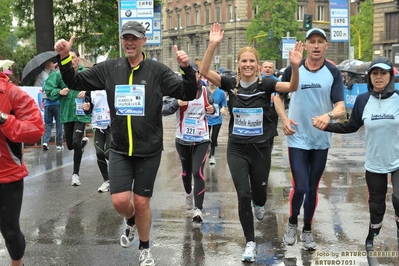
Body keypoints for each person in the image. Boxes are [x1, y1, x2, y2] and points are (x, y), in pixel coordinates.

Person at [53, 20, 198, 266]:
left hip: (148, 149)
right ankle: (129, 220)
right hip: (119, 147)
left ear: (143, 40)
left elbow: (188, 93)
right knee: (120, 201)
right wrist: (65, 57)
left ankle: (144, 248)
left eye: (134, 38)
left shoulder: (157, 71)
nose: (129, 42)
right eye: (125, 38)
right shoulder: (110, 69)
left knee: (142, 202)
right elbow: (75, 83)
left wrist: (186, 69)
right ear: (122, 41)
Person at [199, 22, 303, 262]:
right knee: (242, 194)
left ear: (257, 65)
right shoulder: (229, 83)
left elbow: (292, 86)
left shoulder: (265, 84)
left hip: (260, 148)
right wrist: (212, 45)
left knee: (259, 193)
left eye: (251, 61)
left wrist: (295, 67)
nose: (247, 65)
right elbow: (204, 70)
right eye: (243, 61)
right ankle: (249, 242)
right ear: (239, 64)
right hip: (236, 148)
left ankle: (260, 203)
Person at [313, 56, 399, 251]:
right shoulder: (362, 100)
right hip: (375, 163)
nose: (378, 77)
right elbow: (352, 126)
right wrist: (327, 127)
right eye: (374, 73)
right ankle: (373, 234)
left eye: (383, 73)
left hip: (398, 162)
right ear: (369, 77)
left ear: (390, 76)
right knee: (376, 208)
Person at [273, 28, 346, 251]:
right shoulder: (292, 69)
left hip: (321, 140)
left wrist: (329, 115)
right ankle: (292, 222)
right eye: (312, 41)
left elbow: (341, 108)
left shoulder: (333, 73)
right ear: (305, 45)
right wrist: (284, 118)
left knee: (313, 188)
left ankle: (307, 230)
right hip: (297, 138)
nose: (316, 45)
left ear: (326, 46)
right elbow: (277, 96)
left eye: (320, 42)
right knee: (301, 186)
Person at [0, 72, 44, 266]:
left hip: (7, 176)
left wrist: (4, 119)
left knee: (9, 230)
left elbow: (35, 130)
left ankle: (17, 263)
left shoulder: (12, 93)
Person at [162, 61, 215, 224]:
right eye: (189, 73)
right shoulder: (177, 91)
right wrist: (176, 103)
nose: (193, 76)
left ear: (200, 74)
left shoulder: (206, 91)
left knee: (197, 172)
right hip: (183, 140)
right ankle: (188, 193)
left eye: (195, 73)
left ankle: (198, 210)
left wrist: (212, 110)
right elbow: (162, 110)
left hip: (202, 139)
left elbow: (213, 109)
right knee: (186, 173)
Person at [44, 48, 91, 186]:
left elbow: (98, 86)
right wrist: (60, 91)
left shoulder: (85, 73)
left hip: (81, 112)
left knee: (75, 141)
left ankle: (75, 174)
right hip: (66, 113)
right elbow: (48, 89)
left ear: (78, 58)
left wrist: (86, 90)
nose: (71, 60)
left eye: (73, 58)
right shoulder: (59, 74)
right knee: (70, 145)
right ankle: (81, 144)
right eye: (68, 58)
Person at [83, 90, 111, 192]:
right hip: (97, 124)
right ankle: (106, 181)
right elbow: (88, 108)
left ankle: (117, 179)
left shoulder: (112, 82)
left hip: (111, 125)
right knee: (99, 153)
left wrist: (115, 109)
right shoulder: (90, 90)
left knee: (108, 153)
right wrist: (86, 108)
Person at [261, 60, 280, 152]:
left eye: (270, 67)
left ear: (273, 70)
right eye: (266, 67)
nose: (267, 69)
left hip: (273, 111)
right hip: (260, 111)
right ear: (262, 69)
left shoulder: (277, 81)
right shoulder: (258, 80)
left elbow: (283, 95)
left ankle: (268, 152)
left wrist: (276, 97)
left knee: (271, 133)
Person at [206, 79, 227, 165]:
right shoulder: (204, 90)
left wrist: (223, 108)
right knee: (206, 138)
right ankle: (208, 148)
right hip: (206, 118)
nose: (212, 81)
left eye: (213, 80)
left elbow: (224, 103)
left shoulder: (221, 92)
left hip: (217, 119)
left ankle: (212, 156)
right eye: (210, 80)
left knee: (214, 137)